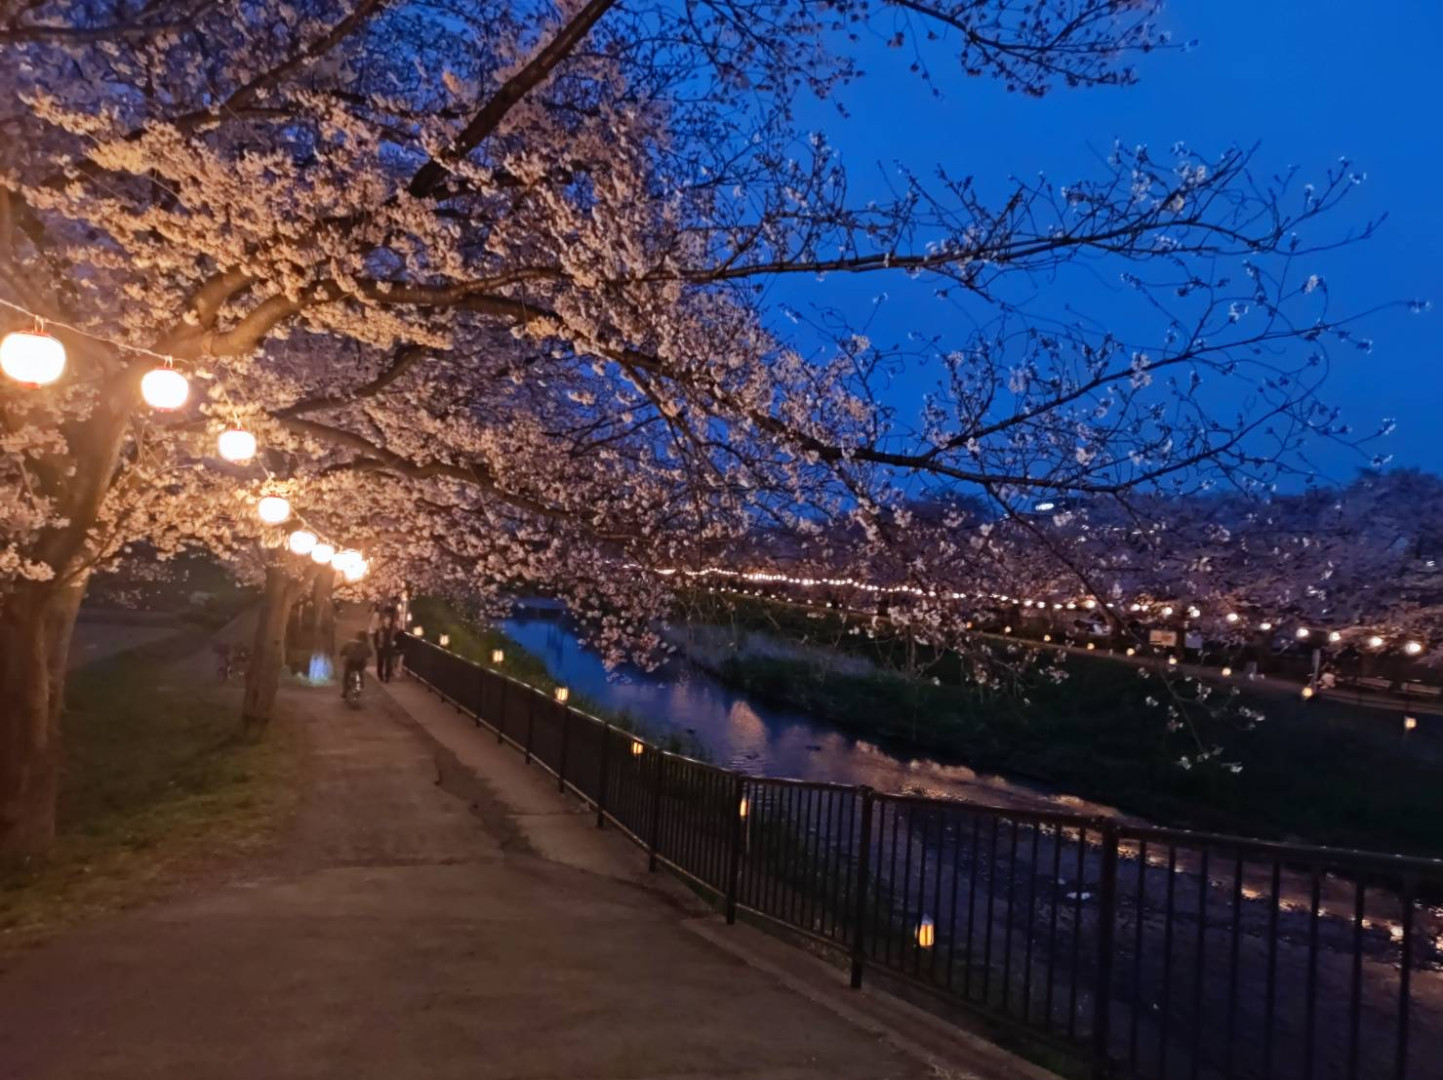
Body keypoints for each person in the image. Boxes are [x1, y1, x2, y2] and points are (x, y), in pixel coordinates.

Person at [340, 631, 372, 698]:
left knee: (346, 674)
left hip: (350, 663)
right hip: (360, 664)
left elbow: (342, 651)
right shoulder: (366, 645)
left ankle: (344, 691)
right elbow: (370, 654)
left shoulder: (349, 642)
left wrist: (343, 656)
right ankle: (361, 684)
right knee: (360, 673)